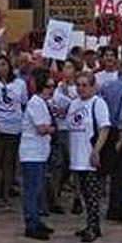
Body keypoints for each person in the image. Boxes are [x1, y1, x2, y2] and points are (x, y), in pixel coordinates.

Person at [67, 73, 110, 243]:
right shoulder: (74, 104)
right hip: (77, 155)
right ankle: (92, 225)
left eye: (85, 85)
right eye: (78, 85)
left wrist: (96, 151)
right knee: (84, 194)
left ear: (92, 86)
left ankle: (93, 227)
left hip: (90, 156)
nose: (81, 88)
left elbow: (104, 129)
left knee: (93, 195)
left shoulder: (98, 103)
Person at [0, 53, 27, 210]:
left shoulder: (19, 84)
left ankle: (6, 195)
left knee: (9, 163)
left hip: (14, 127)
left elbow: (23, 103)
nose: (1, 67)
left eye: (4, 64)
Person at [98, 58, 122, 223]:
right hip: (120, 130)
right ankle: (116, 208)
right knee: (121, 172)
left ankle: (107, 205)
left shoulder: (107, 86)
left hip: (106, 127)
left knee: (109, 167)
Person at [20, 72, 55, 240]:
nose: (51, 90)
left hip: (40, 153)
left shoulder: (43, 103)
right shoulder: (35, 103)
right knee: (31, 190)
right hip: (31, 153)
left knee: (37, 189)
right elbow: (41, 128)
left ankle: (36, 219)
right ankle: (31, 224)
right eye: (49, 86)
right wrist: (52, 129)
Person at [46, 58, 79, 215]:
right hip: (60, 128)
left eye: (70, 67)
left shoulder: (78, 87)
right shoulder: (58, 86)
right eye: (64, 67)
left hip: (75, 130)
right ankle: (55, 198)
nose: (66, 70)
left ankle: (77, 199)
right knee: (58, 164)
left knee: (73, 165)